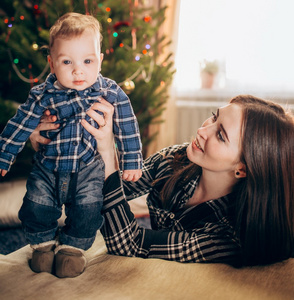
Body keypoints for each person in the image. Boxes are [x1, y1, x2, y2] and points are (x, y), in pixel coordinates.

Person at [31, 95, 294, 267]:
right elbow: (98, 191)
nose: (202, 131)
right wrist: (52, 145)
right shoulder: (176, 158)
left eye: (221, 135)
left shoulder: (229, 234)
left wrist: (109, 154)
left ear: (243, 169)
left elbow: (128, 245)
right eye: (214, 117)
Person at [0, 12, 142, 278]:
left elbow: (127, 123)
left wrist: (132, 161)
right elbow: (20, 124)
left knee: (88, 209)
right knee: (36, 204)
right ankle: (42, 244)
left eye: (88, 60)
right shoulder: (43, 94)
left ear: (99, 61)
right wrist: (3, 156)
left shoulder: (109, 92)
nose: (78, 70)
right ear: (52, 64)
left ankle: (72, 248)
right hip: (48, 165)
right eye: (67, 61)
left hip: (88, 167)